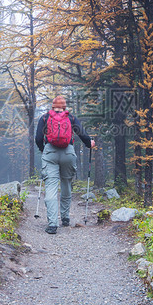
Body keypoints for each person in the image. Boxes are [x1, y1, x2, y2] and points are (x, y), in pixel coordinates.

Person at [34, 96, 96, 234]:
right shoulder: (71, 118)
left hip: (50, 152)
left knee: (51, 187)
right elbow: (83, 134)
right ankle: (65, 217)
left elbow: (38, 138)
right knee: (66, 184)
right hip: (68, 153)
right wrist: (89, 143)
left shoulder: (44, 118)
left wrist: (44, 150)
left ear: (52, 106)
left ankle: (52, 224)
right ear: (64, 107)